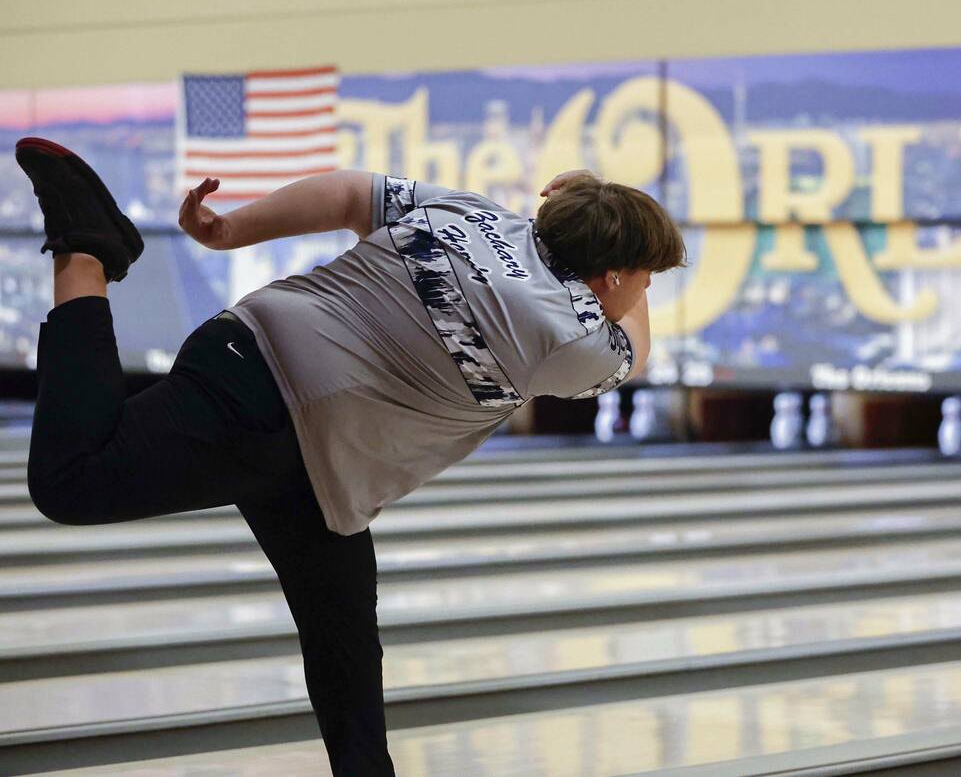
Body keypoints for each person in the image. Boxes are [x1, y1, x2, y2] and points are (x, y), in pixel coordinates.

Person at [14, 136, 686, 776]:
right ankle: (86, 252)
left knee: (346, 659)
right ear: (613, 274)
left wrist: (225, 232)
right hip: (270, 414)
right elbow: (632, 348)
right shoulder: (567, 335)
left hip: (284, 413)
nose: (645, 290)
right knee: (72, 478)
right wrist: (628, 278)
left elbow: (343, 195)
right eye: (645, 277)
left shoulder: (476, 213)